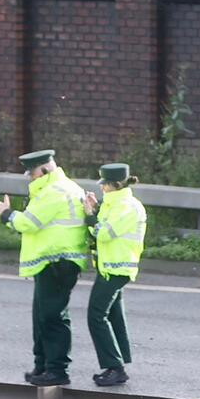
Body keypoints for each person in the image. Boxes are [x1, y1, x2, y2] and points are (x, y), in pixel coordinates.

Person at [0, 149, 89, 386]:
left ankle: (57, 371)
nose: (30, 177)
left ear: (45, 170)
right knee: (42, 316)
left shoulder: (53, 191)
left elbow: (29, 223)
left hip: (56, 261)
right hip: (55, 262)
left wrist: (5, 214)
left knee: (52, 317)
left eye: (32, 173)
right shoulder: (65, 187)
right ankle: (43, 366)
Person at [84, 162, 147, 387]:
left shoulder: (127, 206)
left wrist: (90, 216)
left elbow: (105, 233)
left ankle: (115, 367)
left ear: (116, 185)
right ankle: (119, 360)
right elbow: (105, 224)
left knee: (96, 315)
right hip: (111, 267)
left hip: (116, 269)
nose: (102, 188)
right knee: (113, 315)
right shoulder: (115, 203)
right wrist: (97, 209)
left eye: (105, 185)